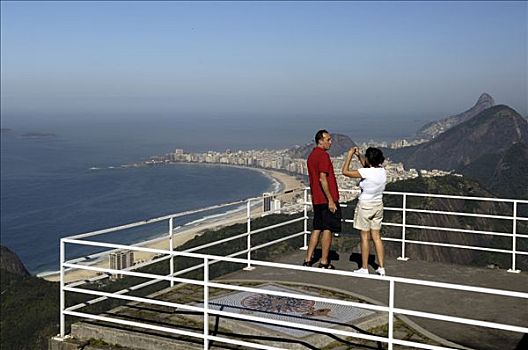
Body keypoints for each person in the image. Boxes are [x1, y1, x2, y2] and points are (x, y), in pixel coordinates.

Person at [342, 147, 387, 276]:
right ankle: (381, 267)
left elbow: (345, 171)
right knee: (377, 237)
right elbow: (367, 165)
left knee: (364, 238)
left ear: (369, 159)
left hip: (365, 206)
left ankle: (364, 268)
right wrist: (359, 155)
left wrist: (349, 155)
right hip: (378, 205)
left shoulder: (366, 173)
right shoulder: (382, 171)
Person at [304, 130, 341, 269]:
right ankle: (324, 261)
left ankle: (308, 259)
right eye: (328, 139)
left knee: (317, 228)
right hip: (326, 199)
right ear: (320, 140)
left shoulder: (311, 156)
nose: (330, 142)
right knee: (328, 229)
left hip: (317, 199)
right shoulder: (323, 156)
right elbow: (322, 178)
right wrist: (331, 200)